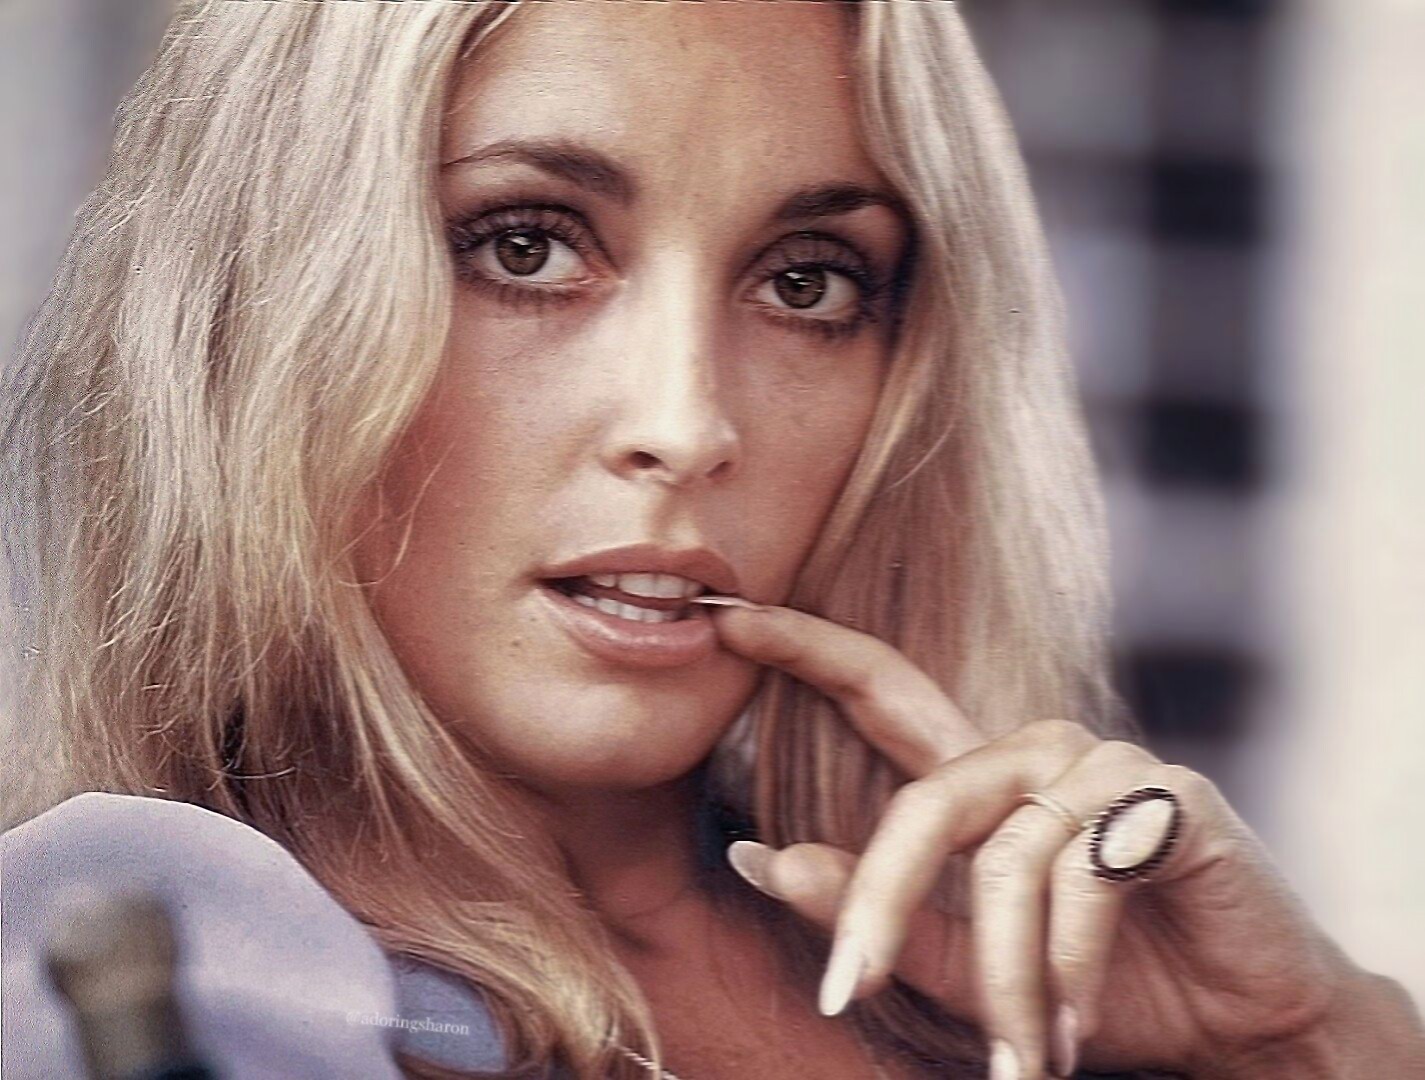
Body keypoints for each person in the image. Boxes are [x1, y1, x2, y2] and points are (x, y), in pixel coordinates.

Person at [2, 2, 1421, 1079]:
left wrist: (1307, 1040)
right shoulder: (163, 962)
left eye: (806, 283)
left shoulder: (1005, 985)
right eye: (524, 246)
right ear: (263, 318)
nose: (688, 426)